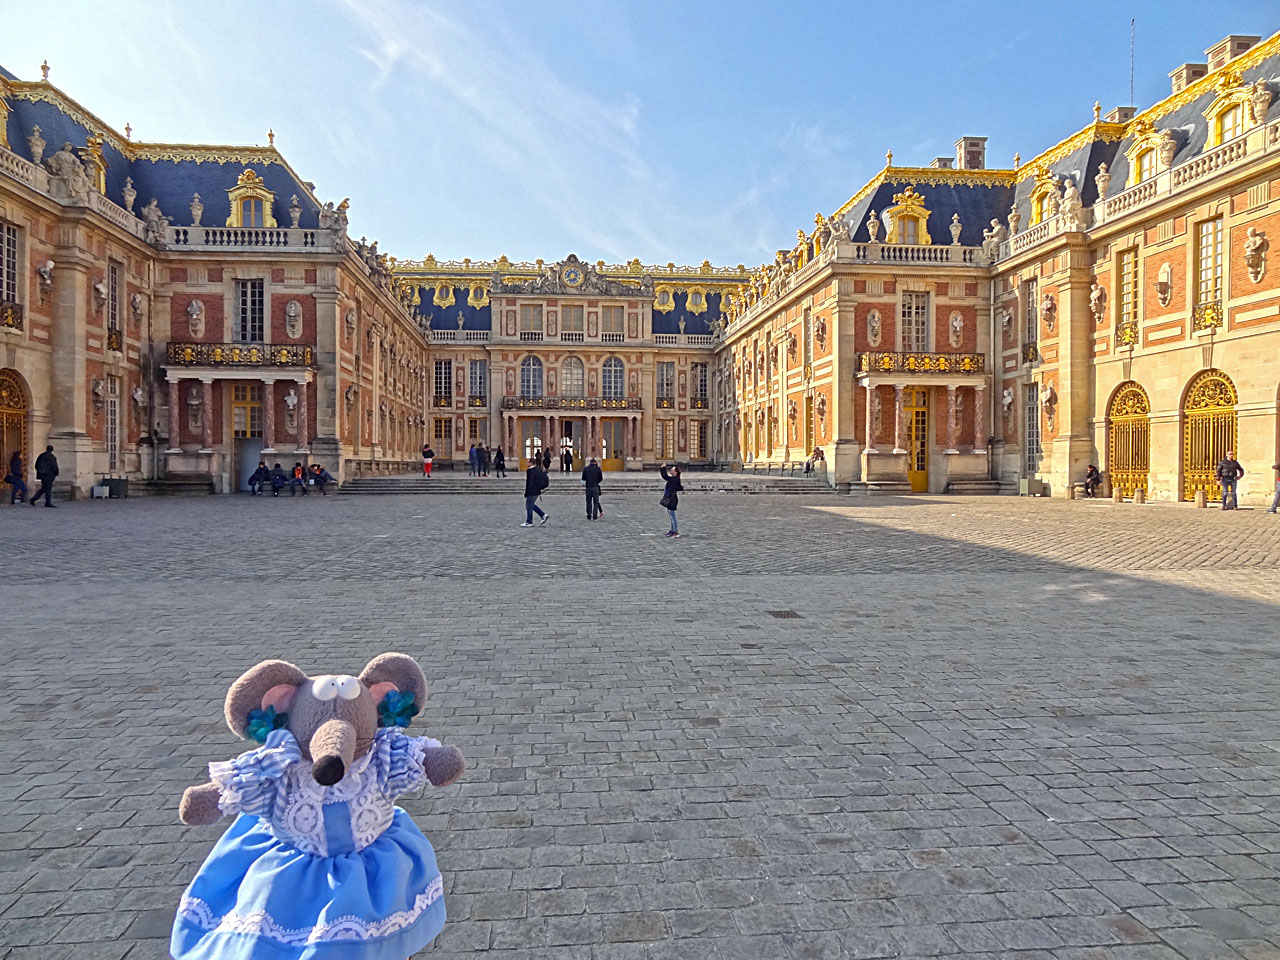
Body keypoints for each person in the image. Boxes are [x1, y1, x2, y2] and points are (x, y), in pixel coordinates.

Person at [521, 457, 549, 527]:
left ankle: (529, 521)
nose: (526, 463)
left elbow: (529, 483)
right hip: (537, 491)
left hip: (532, 491)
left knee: (529, 505)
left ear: (531, 463)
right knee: (531, 505)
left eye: (527, 462)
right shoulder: (538, 470)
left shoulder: (530, 471)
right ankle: (543, 515)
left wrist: (527, 493)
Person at [659, 463, 683, 538]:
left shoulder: (674, 479)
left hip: (672, 500)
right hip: (671, 499)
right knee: (671, 516)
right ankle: (672, 530)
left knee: (673, 517)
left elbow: (665, 477)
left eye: (672, 469)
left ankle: (675, 531)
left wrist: (663, 468)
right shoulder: (674, 479)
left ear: (675, 472)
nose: (670, 470)